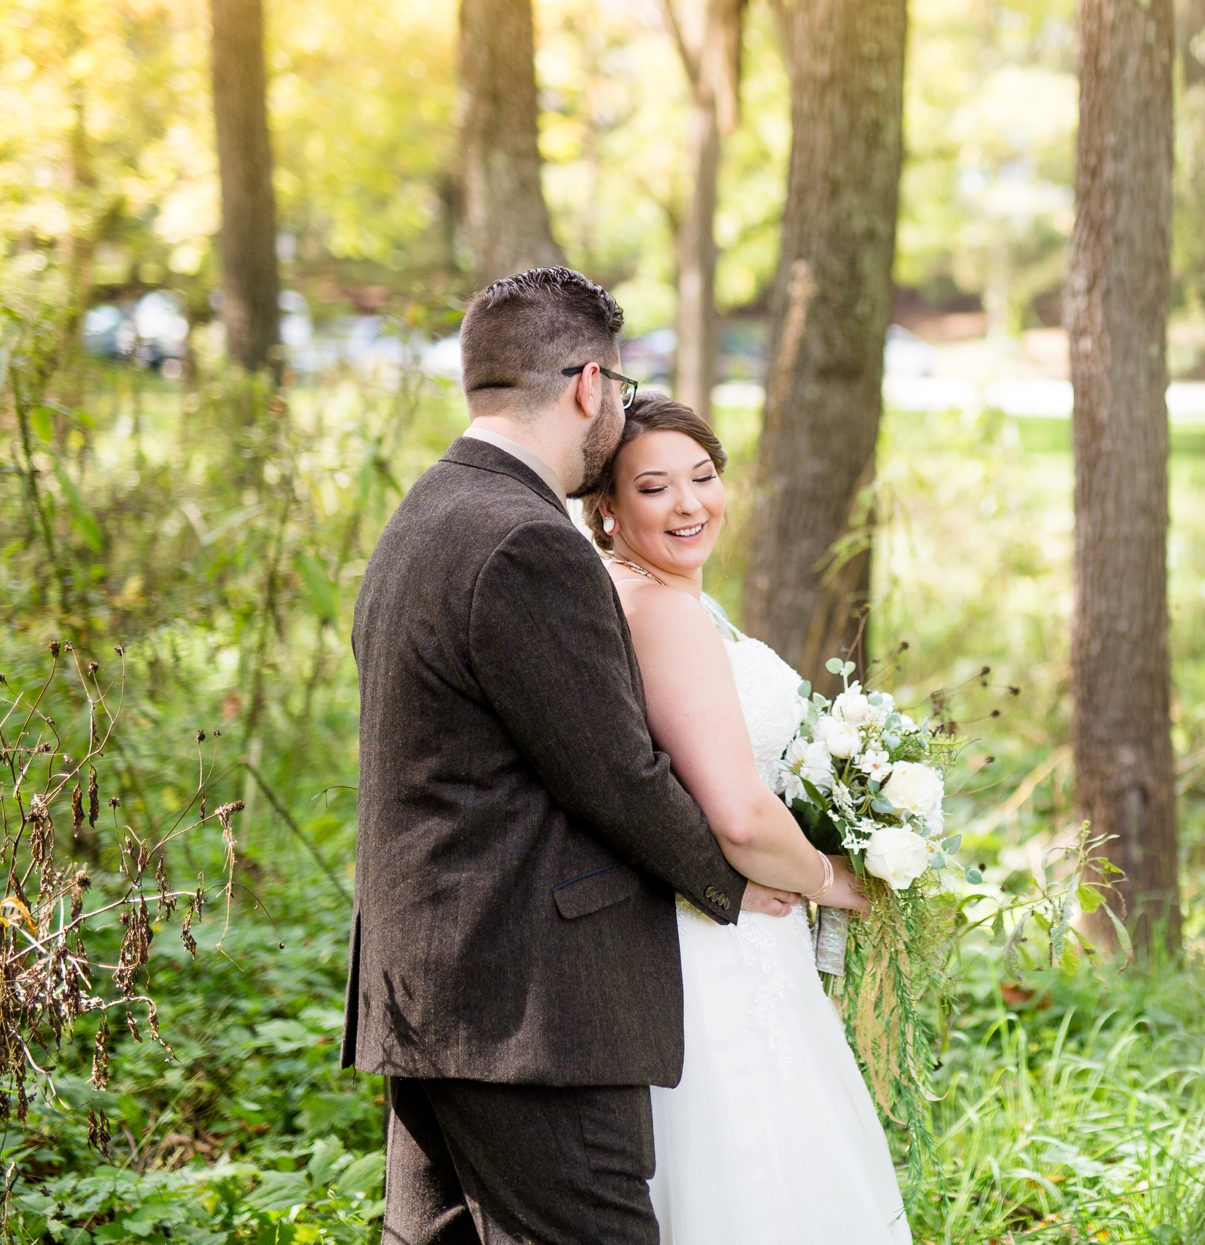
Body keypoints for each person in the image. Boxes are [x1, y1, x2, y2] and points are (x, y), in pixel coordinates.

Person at [345, 267, 868, 1245]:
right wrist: (737, 877)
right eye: (620, 390)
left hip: (428, 986)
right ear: (589, 385)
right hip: (530, 1010)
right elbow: (616, 772)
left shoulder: (425, 514)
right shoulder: (524, 543)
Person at [580, 392, 912, 1244]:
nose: (690, 504)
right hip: (722, 940)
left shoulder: (637, 597)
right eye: (655, 488)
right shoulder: (663, 612)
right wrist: (837, 882)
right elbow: (735, 813)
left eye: (704, 476)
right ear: (606, 509)